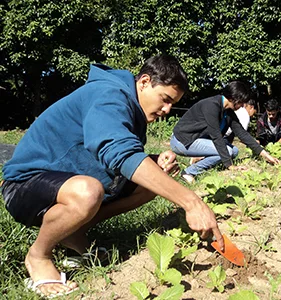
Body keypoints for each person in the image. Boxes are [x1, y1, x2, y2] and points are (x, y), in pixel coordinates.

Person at [1, 55, 224, 298]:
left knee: (152, 180)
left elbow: (110, 153)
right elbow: (118, 152)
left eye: (173, 104)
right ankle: (39, 256)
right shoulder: (109, 95)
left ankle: (74, 232)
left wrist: (153, 159)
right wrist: (191, 202)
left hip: (66, 182)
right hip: (24, 185)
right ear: (145, 82)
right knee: (88, 192)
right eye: (165, 99)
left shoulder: (129, 106)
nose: (167, 110)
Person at [170, 81, 279, 184]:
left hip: (196, 141)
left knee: (234, 151)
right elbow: (216, 136)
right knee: (228, 151)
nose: (242, 106)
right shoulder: (211, 106)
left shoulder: (228, 112)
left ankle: (201, 160)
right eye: (241, 102)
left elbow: (242, 134)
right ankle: (189, 172)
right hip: (182, 141)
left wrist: (265, 154)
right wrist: (230, 165)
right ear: (235, 99)